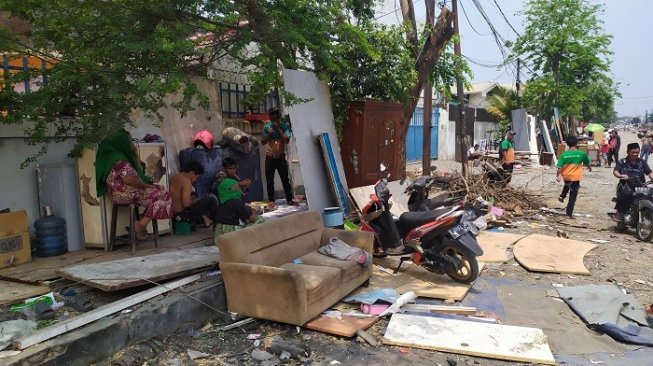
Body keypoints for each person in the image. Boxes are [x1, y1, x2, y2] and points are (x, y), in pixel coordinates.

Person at [95, 129, 172, 240]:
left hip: (126, 193)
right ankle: (140, 224)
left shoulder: (114, 157)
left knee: (161, 191)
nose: (131, 144)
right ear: (121, 143)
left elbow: (138, 173)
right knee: (162, 195)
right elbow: (129, 180)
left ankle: (142, 221)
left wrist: (135, 156)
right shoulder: (118, 160)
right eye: (130, 142)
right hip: (124, 194)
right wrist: (147, 186)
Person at [214, 158, 260, 242]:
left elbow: (239, 191)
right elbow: (230, 186)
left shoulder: (234, 180)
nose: (232, 171)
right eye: (230, 168)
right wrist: (253, 213)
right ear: (225, 169)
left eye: (234, 168)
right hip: (229, 237)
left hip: (219, 235)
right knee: (259, 220)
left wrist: (244, 186)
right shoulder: (222, 178)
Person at [261, 108, 296, 207]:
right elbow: (263, 142)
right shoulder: (267, 126)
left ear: (278, 115)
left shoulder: (285, 126)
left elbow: (286, 141)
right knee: (269, 180)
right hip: (269, 157)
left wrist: (279, 129)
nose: (271, 117)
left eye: (273, 114)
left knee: (285, 179)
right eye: (270, 114)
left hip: (280, 157)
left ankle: (289, 199)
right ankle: (271, 200)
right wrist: (269, 135)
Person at [170, 161, 219, 227]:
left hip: (174, 215)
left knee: (197, 201)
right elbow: (186, 204)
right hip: (182, 215)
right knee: (211, 200)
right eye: (197, 177)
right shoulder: (186, 181)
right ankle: (218, 223)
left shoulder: (176, 176)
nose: (196, 180)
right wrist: (197, 200)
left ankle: (206, 219)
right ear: (192, 173)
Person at [613, 143, 653, 222]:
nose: (635, 154)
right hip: (625, 185)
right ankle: (619, 213)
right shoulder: (622, 161)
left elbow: (649, 172)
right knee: (625, 195)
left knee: (649, 195)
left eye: (637, 152)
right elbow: (615, 171)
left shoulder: (642, 162)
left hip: (640, 185)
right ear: (627, 152)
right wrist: (621, 176)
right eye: (633, 152)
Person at [556, 136, 591, 217]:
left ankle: (562, 196)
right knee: (573, 196)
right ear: (576, 143)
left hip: (566, 176)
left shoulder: (564, 155)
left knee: (567, 184)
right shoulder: (581, 154)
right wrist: (589, 168)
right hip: (576, 177)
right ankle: (569, 213)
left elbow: (559, 167)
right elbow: (587, 162)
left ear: (567, 144)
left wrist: (557, 176)